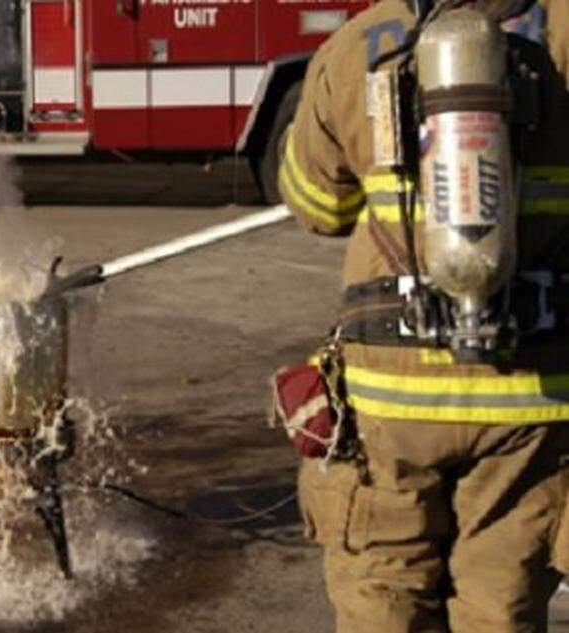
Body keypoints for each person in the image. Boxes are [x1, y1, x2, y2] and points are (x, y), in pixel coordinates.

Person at [279, 0, 569, 630]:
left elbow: (314, 205)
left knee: (382, 596)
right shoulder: (559, 32)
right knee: (502, 607)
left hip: (391, 394)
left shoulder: (357, 45)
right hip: (530, 393)